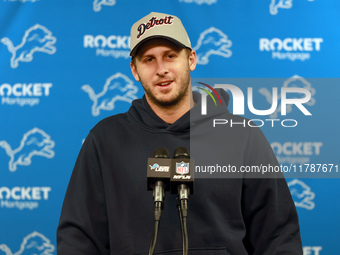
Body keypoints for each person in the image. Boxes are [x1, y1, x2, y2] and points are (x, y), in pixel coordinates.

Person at [57, 12, 303, 254]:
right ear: (135, 70)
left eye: (170, 56)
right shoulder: (105, 139)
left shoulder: (242, 135)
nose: (161, 69)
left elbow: (278, 235)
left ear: (191, 60)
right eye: (148, 59)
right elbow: (79, 238)